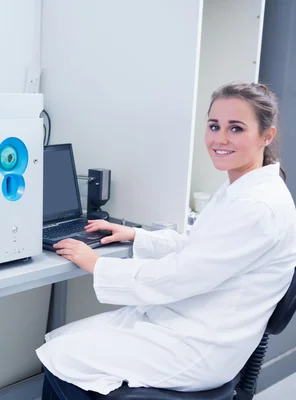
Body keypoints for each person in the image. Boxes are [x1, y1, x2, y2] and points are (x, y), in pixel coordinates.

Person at [36, 82, 296, 399]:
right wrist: (136, 235)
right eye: (214, 126)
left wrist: (98, 265)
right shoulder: (241, 188)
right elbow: (198, 248)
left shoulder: (257, 206)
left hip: (201, 346)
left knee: (63, 354)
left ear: (266, 136)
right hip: (191, 323)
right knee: (62, 342)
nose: (221, 138)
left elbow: (181, 275)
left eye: (236, 128)